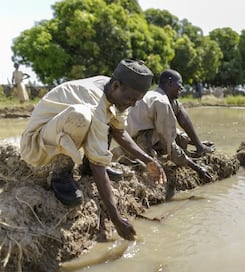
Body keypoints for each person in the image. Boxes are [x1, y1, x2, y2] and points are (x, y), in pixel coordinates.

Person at [20, 59, 167, 240]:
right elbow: (100, 164)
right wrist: (117, 219)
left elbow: (119, 132)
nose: (133, 104)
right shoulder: (95, 100)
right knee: (81, 116)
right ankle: (60, 173)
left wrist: (147, 160)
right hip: (37, 146)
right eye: (131, 99)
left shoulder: (114, 90)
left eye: (137, 100)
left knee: (108, 117)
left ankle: (85, 166)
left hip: (58, 132)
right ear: (115, 86)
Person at [125, 69, 214, 190]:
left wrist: (197, 143)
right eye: (180, 83)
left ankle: (199, 146)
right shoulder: (161, 102)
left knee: (172, 131)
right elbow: (170, 144)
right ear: (170, 82)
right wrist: (198, 169)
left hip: (139, 137)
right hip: (138, 143)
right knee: (167, 146)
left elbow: (179, 122)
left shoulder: (159, 96)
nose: (182, 88)